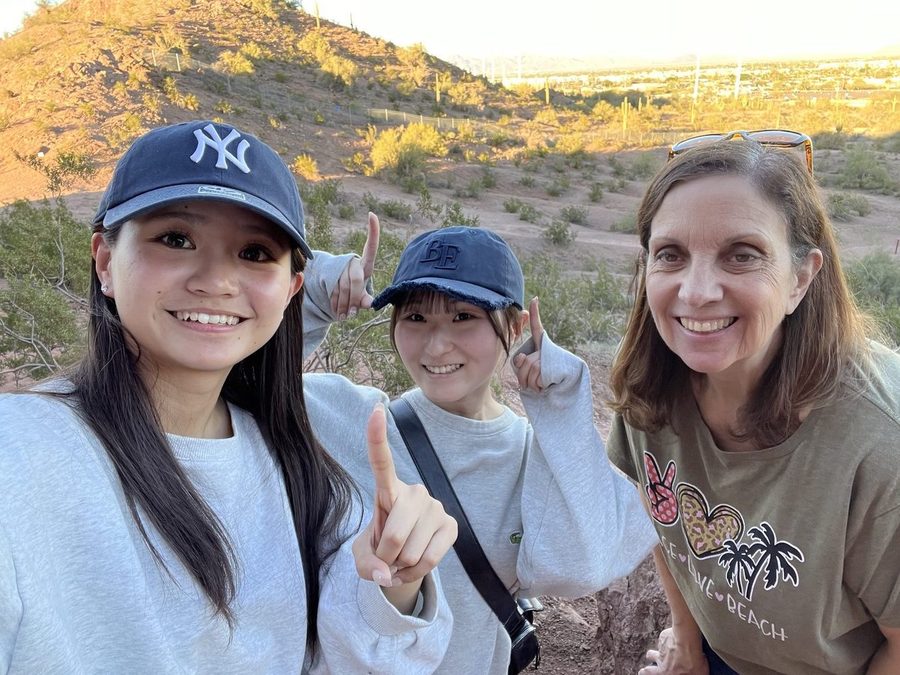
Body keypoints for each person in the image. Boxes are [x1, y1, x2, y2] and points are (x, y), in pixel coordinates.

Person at [0, 120, 458, 673]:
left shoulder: (302, 471)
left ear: (291, 288)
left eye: (255, 252)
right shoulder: (21, 456)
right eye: (176, 239)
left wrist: (396, 583)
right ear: (104, 261)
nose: (216, 280)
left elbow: (357, 658)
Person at [299, 223, 658, 673]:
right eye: (415, 318)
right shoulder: (353, 418)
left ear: (516, 324)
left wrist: (561, 410)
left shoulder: (536, 457)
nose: (436, 344)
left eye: (463, 317)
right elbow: (233, 384)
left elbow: (581, 567)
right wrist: (309, 296)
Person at [604, 136, 900, 674]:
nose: (695, 292)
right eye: (671, 255)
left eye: (742, 255)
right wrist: (688, 643)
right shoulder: (652, 389)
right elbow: (665, 522)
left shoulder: (879, 445)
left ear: (801, 278)